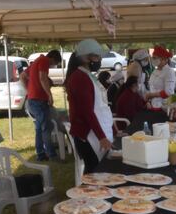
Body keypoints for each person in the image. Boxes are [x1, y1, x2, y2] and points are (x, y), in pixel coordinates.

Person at [65, 38, 113, 173]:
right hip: (88, 135)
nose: (99, 60)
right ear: (86, 58)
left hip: (97, 131)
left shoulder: (87, 75)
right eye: (97, 57)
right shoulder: (79, 78)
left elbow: (100, 106)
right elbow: (87, 111)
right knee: (94, 173)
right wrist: (102, 137)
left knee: (99, 173)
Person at [26, 49, 60, 161]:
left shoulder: (37, 60)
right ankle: (51, 155)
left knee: (41, 128)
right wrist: (49, 94)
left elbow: (22, 76)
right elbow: (42, 77)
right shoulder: (44, 60)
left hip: (34, 99)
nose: (51, 67)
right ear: (53, 58)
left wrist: (30, 90)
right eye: (54, 64)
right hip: (38, 100)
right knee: (45, 128)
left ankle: (41, 154)